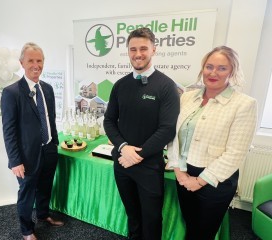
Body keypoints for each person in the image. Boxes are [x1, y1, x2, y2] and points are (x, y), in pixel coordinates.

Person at [167, 46, 257, 240]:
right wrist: (179, 172)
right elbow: (174, 136)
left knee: (203, 232)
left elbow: (236, 152)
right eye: (209, 66)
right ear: (202, 69)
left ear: (232, 71)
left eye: (222, 68)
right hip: (183, 172)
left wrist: (199, 181)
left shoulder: (244, 104)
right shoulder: (187, 97)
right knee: (190, 223)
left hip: (215, 180)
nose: (213, 72)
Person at [103, 27, 180, 240]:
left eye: (143, 48)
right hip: (122, 163)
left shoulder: (166, 86)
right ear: (128, 51)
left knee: (152, 218)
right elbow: (109, 121)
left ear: (154, 50)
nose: (138, 54)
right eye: (133, 49)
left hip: (148, 165)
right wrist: (123, 148)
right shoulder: (120, 85)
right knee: (133, 215)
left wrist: (137, 155)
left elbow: (167, 129)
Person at [1, 42, 64, 240]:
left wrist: (54, 142)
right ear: (22, 63)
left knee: (45, 186)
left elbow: (49, 117)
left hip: (49, 149)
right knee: (27, 194)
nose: (36, 65)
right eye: (31, 61)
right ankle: (27, 230)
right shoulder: (11, 92)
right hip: (26, 156)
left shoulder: (48, 88)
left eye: (39, 60)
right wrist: (15, 161)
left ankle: (43, 215)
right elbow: (8, 130)